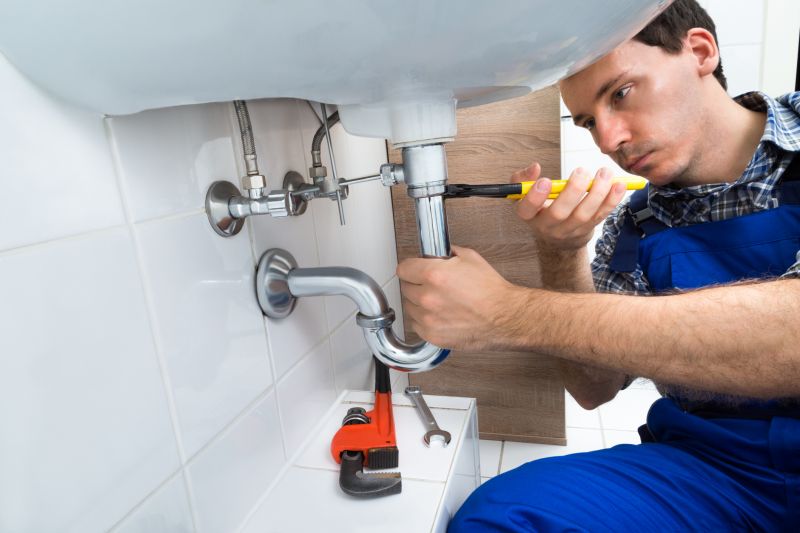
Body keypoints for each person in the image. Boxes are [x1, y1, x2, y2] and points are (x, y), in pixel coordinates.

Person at [396, 0, 800, 530]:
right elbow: (595, 389)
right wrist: (561, 252)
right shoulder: (632, 227)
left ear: (699, 51)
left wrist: (507, 312)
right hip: (710, 470)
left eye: (622, 93)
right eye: (588, 122)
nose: (608, 140)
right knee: (504, 517)